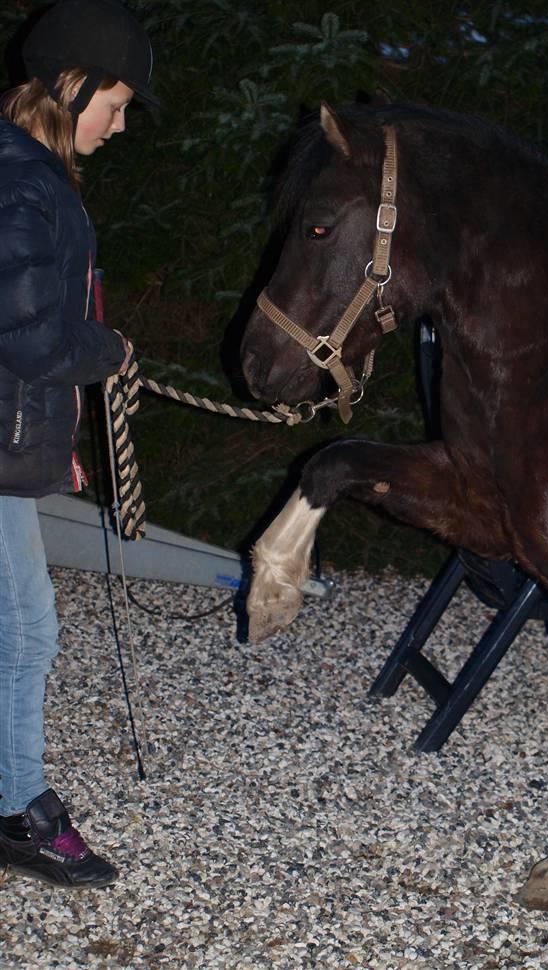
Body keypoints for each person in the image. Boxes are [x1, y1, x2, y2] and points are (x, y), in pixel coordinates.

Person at [0, 0, 159, 889]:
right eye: (117, 103)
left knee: (17, 626)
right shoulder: (22, 181)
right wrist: (111, 349)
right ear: (73, 86)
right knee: (24, 631)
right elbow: (29, 338)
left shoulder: (23, 171)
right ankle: (18, 811)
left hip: (8, 439)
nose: (122, 123)